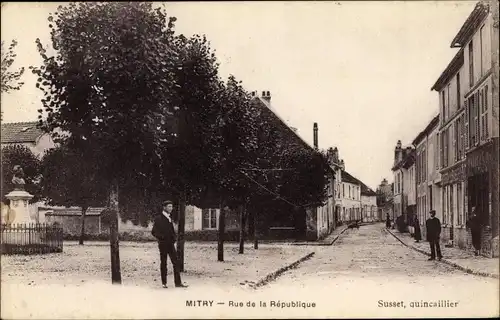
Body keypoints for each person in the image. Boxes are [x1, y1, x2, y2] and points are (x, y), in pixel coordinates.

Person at [151, 200, 188, 288]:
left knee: (176, 262)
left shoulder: (169, 218)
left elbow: (171, 231)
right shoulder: (158, 218)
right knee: (164, 263)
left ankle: (178, 283)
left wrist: (174, 238)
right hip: (163, 244)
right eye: (169, 206)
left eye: (171, 206)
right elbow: (153, 232)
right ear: (164, 207)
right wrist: (162, 238)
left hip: (170, 244)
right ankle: (164, 283)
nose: (171, 208)